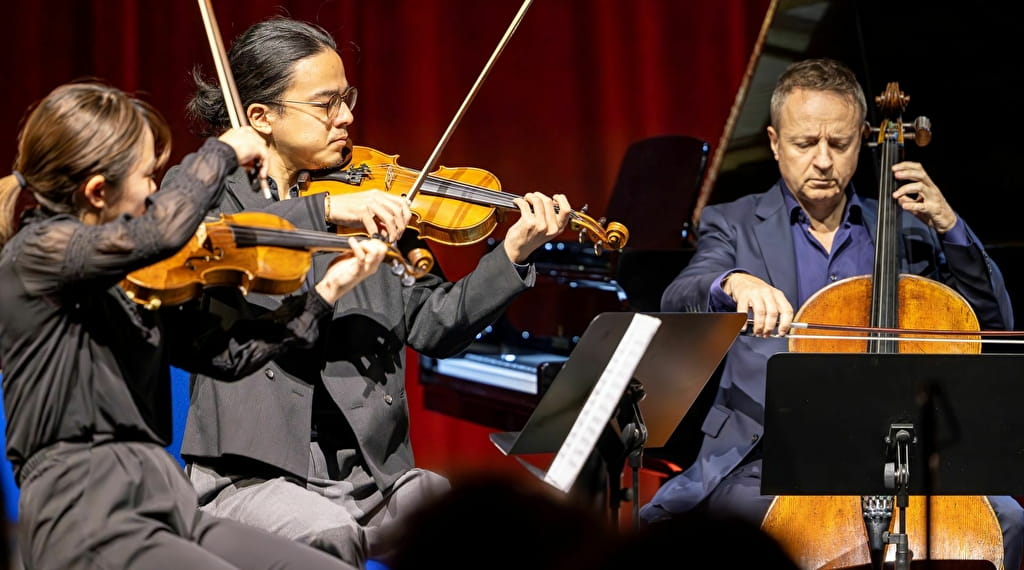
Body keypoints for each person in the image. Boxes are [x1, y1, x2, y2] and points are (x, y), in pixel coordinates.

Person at [172, 17, 574, 568]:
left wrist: (512, 255)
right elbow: (215, 231)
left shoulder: (370, 193)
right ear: (261, 117)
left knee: (461, 518)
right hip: (251, 473)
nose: (347, 117)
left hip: (369, 476)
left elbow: (436, 324)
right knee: (326, 532)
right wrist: (328, 209)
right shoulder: (213, 193)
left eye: (348, 98)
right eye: (327, 103)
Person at [639, 58, 1024, 568]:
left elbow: (991, 318)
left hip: (897, 455)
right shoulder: (733, 223)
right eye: (804, 144)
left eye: (839, 145)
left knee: (1009, 520)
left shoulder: (906, 229)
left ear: (862, 140)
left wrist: (950, 227)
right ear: (775, 142)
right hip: (767, 458)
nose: (822, 161)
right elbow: (680, 295)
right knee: (744, 533)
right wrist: (729, 282)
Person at [0, 81, 390, 569]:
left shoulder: (136, 280)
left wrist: (327, 291)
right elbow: (160, 229)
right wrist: (223, 152)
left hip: (162, 496)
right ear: (97, 191)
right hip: (84, 505)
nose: (155, 191)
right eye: (147, 177)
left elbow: (227, 356)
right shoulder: (35, 256)